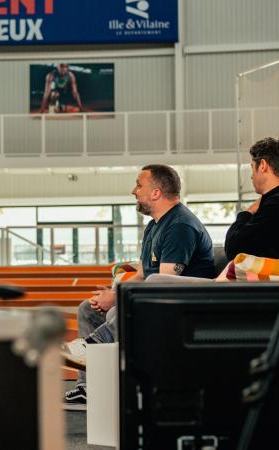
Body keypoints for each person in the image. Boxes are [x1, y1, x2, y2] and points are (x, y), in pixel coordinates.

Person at [63, 164, 215, 410]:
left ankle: (95, 344)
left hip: (180, 305)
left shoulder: (180, 225)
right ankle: (88, 387)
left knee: (117, 311)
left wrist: (117, 299)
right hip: (156, 298)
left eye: (138, 185)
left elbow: (163, 283)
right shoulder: (155, 225)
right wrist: (113, 293)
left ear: (155, 193)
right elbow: (144, 274)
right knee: (88, 309)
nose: (134, 191)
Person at [224, 137, 279, 262]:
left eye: (252, 167)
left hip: (277, 281)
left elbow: (234, 250)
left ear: (263, 166)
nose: (251, 176)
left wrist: (248, 211)